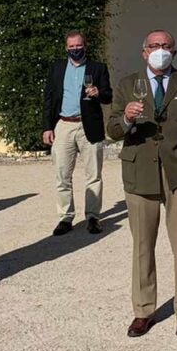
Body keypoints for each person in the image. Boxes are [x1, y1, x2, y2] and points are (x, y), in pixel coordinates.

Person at [106, 30, 177, 339]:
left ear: (174, 52)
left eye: (166, 46)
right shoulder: (128, 85)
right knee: (142, 245)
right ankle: (144, 311)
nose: (160, 51)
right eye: (154, 46)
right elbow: (112, 129)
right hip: (140, 173)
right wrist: (126, 119)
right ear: (144, 53)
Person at [42, 29, 113, 236]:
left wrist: (99, 93)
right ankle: (65, 217)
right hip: (63, 125)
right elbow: (48, 100)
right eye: (71, 46)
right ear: (66, 47)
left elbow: (108, 96)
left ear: (85, 45)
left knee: (93, 175)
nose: (75, 49)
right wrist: (47, 127)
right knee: (62, 174)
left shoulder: (98, 68)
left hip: (89, 125)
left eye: (78, 45)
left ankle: (93, 216)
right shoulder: (57, 69)